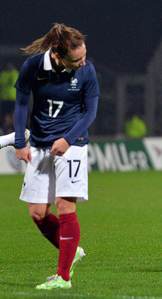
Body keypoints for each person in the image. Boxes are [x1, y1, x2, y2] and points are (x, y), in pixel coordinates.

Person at [14, 24, 100, 290]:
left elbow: (90, 113)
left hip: (73, 143)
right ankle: (73, 250)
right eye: (77, 59)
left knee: (65, 206)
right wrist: (20, 141)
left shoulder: (87, 71)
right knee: (38, 213)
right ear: (57, 55)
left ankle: (63, 277)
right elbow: (20, 104)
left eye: (84, 55)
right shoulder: (33, 67)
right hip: (40, 144)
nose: (84, 62)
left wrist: (68, 139)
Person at [0, 61, 19, 133]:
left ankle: (13, 127)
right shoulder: (4, 73)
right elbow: (1, 82)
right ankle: (5, 128)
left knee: (13, 114)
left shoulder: (15, 73)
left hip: (13, 98)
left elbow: (14, 82)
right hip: (4, 98)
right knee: (5, 114)